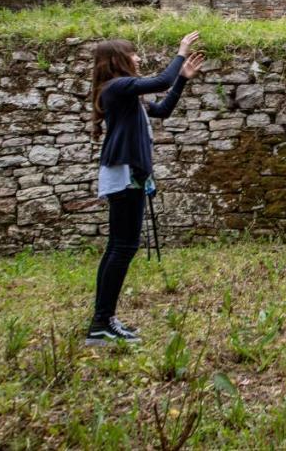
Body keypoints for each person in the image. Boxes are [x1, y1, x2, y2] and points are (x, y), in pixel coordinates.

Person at [86, 31, 206, 345]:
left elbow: (163, 108)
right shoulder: (116, 87)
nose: (138, 58)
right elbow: (160, 81)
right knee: (122, 247)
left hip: (128, 174)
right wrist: (180, 51)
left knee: (119, 246)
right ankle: (101, 323)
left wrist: (183, 78)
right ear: (118, 61)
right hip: (125, 174)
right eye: (133, 54)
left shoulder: (127, 95)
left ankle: (103, 320)